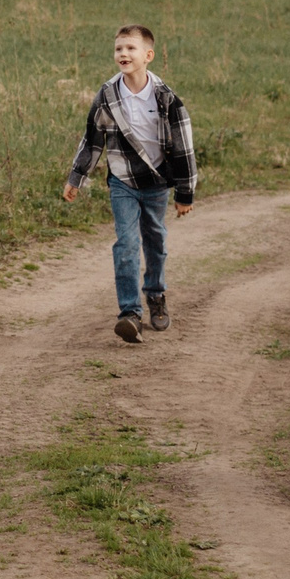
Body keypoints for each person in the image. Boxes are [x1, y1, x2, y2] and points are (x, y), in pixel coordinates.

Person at [64, 24, 199, 343]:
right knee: (125, 245)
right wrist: (77, 176)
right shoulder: (108, 94)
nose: (123, 54)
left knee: (156, 241)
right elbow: (92, 139)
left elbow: (183, 147)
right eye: (118, 49)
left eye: (130, 48)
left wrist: (184, 191)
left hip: (156, 183)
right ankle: (129, 313)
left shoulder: (166, 98)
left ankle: (155, 295)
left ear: (148, 56)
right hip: (122, 180)